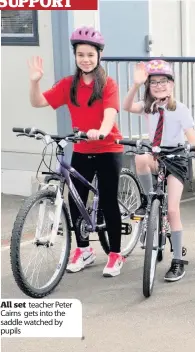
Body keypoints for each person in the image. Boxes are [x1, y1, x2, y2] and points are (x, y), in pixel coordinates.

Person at [27, 26, 126, 277]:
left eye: (90, 55)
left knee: (107, 199)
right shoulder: (68, 85)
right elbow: (38, 102)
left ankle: (115, 254)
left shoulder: (108, 84)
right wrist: (35, 81)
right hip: (82, 147)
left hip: (107, 147)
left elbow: (109, 115)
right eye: (81, 54)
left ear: (99, 56)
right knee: (75, 199)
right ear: (75, 56)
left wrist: (101, 130)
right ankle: (83, 250)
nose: (85, 59)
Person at [122, 59, 195, 282]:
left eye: (164, 81)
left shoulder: (180, 109)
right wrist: (135, 85)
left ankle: (178, 260)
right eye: (154, 82)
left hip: (176, 158)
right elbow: (126, 107)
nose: (159, 86)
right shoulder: (148, 107)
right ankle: (149, 199)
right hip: (156, 155)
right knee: (140, 156)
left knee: (172, 211)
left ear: (172, 84)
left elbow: (190, 135)